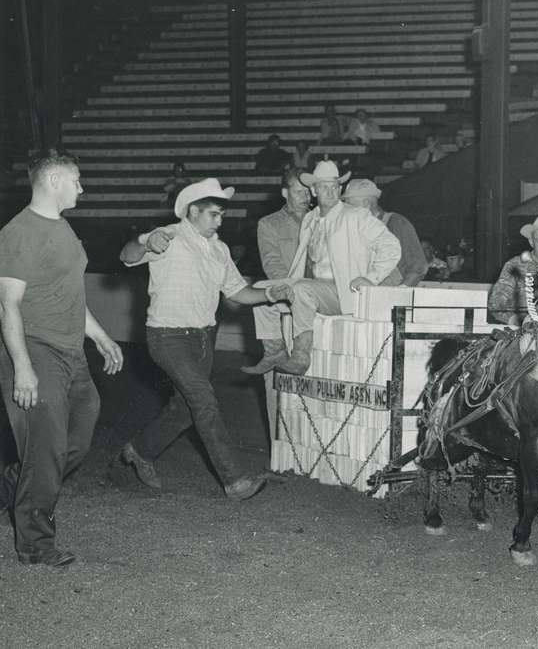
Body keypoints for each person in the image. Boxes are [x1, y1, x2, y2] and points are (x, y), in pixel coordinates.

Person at [118, 179, 289, 502]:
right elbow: (126, 256)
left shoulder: (219, 249)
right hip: (167, 335)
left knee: (186, 409)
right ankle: (234, 480)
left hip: (202, 338)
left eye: (221, 215)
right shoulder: (168, 237)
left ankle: (140, 449)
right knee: (205, 400)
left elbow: (238, 293)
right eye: (213, 214)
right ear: (193, 211)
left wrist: (268, 293)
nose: (219, 221)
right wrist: (145, 241)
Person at [0, 153, 123, 567]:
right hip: (37, 350)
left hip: (72, 351)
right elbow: (7, 307)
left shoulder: (63, 228)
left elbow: (69, 295)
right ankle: (35, 544)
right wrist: (23, 368)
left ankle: (13, 488)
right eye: (77, 181)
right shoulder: (20, 233)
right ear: (54, 179)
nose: (81, 189)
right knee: (47, 449)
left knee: (77, 438)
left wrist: (101, 336)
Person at [263, 162, 402, 375]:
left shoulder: (356, 215)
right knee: (264, 292)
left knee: (301, 289)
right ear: (313, 190)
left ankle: (300, 355)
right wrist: (286, 284)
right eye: (324, 186)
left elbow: (391, 247)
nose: (331, 191)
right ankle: (275, 352)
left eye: (335, 186)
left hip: (347, 292)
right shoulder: (310, 219)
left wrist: (371, 278)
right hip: (320, 291)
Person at [242, 171, 312, 376]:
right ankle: (274, 351)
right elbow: (271, 263)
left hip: (318, 291)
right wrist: (289, 286)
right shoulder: (269, 223)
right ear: (284, 192)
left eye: (308, 192)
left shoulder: (321, 219)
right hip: (290, 289)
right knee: (260, 291)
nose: (305, 198)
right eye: (299, 192)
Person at [488, 213, 538, 326]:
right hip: (523, 332)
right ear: (531, 242)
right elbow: (496, 303)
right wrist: (515, 320)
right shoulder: (515, 265)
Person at [352, 182, 428, 287]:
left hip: (389, 296)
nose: (347, 211)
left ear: (366, 203)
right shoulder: (357, 230)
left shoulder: (396, 223)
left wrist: (399, 293)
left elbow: (418, 266)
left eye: (351, 206)